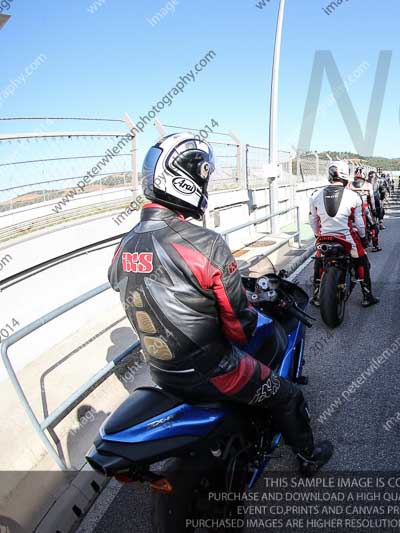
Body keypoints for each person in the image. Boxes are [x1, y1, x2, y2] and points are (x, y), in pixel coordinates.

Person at [108, 133, 333, 475]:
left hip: (161, 370)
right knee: (286, 394)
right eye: (202, 176)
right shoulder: (204, 244)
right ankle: (308, 457)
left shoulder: (124, 244)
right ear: (186, 180)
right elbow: (239, 327)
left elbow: (130, 285)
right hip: (214, 371)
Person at [310, 161, 380, 307]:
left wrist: (318, 235)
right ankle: (367, 295)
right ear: (345, 175)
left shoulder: (315, 195)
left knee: (318, 260)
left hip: (324, 238)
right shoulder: (353, 196)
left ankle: (316, 295)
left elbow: (313, 220)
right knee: (362, 261)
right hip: (347, 238)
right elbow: (360, 224)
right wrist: (363, 239)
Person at [348, 168, 381, 252]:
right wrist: (373, 210)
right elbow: (372, 199)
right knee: (374, 227)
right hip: (365, 208)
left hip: (352, 209)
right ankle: (375, 245)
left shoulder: (349, 185)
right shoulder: (368, 185)